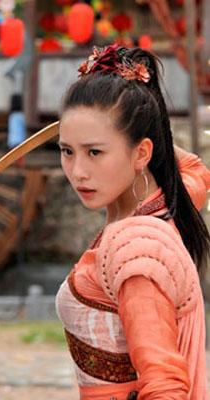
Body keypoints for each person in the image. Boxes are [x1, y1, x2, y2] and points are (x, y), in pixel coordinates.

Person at [55, 45, 210, 399]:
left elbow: (165, 386)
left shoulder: (137, 247)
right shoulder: (170, 202)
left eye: (95, 152)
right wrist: (133, 126)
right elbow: (196, 170)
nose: (78, 172)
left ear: (142, 152)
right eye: (67, 151)